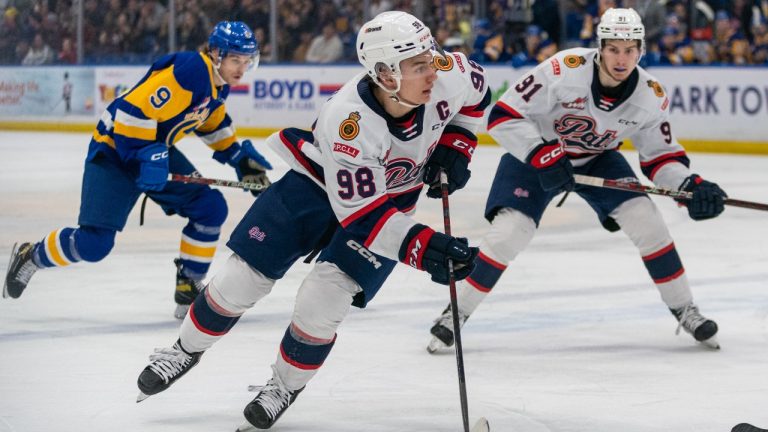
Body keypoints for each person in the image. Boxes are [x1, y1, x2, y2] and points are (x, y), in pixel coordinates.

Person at [134, 11, 490, 431]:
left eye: (430, 58)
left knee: (324, 302)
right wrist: (427, 249)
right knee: (241, 278)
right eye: (418, 66)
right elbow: (362, 217)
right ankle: (184, 350)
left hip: (389, 204)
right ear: (384, 74)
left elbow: (477, 95)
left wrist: (459, 143)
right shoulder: (349, 119)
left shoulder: (449, 72)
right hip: (316, 188)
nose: (432, 71)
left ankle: (284, 386)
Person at [427, 8, 728, 354]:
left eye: (630, 50)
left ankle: (685, 308)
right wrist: (541, 153)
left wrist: (691, 185)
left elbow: (660, 157)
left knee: (648, 222)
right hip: (536, 156)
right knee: (511, 233)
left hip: (597, 159)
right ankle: (457, 312)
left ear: (640, 51)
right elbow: (504, 116)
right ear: (600, 47)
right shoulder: (563, 69)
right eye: (614, 48)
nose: (621, 58)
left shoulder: (650, 94)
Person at [3, 21, 272, 319]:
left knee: (209, 208)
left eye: (247, 61)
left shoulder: (217, 84)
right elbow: (131, 111)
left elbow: (212, 123)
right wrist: (147, 155)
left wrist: (239, 158)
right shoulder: (190, 70)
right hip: (115, 152)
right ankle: (32, 255)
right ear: (215, 53)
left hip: (154, 153)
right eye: (236, 60)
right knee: (94, 244)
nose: (241, 68)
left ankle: (188, 286)